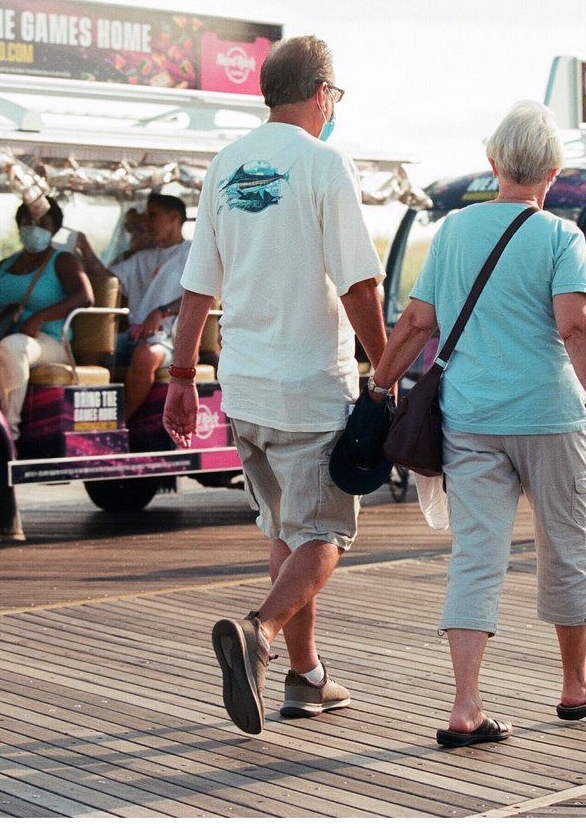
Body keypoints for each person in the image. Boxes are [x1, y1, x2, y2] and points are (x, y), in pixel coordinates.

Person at [368, 100, 586, 748]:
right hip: (548, 417)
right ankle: (575, 686)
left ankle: (465, 707)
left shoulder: (454, 231)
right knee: (565, 549)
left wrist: (378, 385)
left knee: (476, 558)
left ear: (493, 163)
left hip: (469, 419)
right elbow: (575, 327)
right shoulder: (559, 237)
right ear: (553, 169)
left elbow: (416, 324)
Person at [162, 36, 387, 735]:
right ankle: (259, 635)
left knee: (286, 531)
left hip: (245, 391)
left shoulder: (226, 165)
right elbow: (357, 283)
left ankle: (306, 676)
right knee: (325, 533)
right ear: (322, 93)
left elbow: (199, 283)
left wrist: (179, 378)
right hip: (308, 385)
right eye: (336, 97)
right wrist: (387, 369)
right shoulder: (325, 163)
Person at [75, 191, 192, 423]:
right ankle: (88, 421)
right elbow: (108, 278)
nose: (146, 223)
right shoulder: (143, 257)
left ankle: (121, 424)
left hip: (169, 340)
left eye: (152, 215)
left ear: (173, 216)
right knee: (90, 350)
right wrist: (86, 250)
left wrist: (162, 311)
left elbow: (200, 296)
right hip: (132, 335)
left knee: (145, 356)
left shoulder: (192, 253)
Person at [0, 197, 94, 439]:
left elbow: (84, 296)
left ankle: (8, 430)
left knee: (12, 348)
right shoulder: (4, 266)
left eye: (42, 223)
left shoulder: (62, 260)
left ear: (54, 229)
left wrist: (39, 318)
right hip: (0, 333)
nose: (34, 228)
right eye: (28, 222)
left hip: (49, 341)